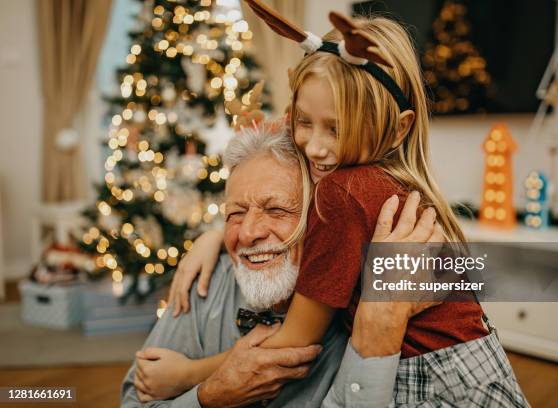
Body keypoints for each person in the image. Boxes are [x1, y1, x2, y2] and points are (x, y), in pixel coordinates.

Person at [165, 4, 529, 406]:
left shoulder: (343, 193)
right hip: (482, 366)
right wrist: (219, 233)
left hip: (435, 381)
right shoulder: (395, 181)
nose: (315, 146)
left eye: (337, 129)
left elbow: (297, 342)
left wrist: (187, 375)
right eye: (303, 121)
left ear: (399, 127)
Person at [121, 123, 440, 407]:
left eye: (277, 210)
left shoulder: (369, 300)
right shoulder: (203, 281)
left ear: (321, 222)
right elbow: (135, 400)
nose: (248, 233)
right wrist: (210, 397)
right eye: (235, 214)